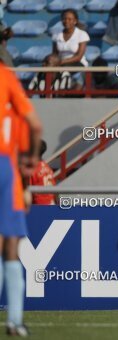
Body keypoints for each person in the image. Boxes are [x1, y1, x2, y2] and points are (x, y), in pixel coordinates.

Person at [0, 62, 43, 336]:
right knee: (10, 244)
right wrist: (31, 160)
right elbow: (35, 125)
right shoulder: (6, 79)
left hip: (9, 167)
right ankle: (15, 319)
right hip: (6, 167)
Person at [29, 140, 56, 205]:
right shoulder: (47, 167)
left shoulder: (32, 169)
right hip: (51, 203)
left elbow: (28, 192)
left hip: (39, 205)